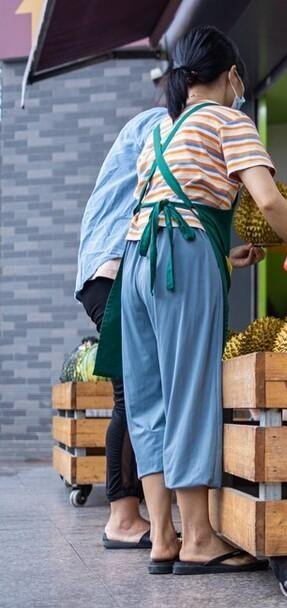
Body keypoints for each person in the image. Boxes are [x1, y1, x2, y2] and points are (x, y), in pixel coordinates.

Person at [94, 25, 287, 575]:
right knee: (191, 393)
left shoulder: (164, 132)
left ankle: (163, 538)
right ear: (231, 75)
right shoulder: (230, 120)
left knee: (149, 402)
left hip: (135, 261)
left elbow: (160, 211)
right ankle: (200, 539)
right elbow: (271, 202)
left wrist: (226, 259)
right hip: (181, 254)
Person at [76, 107, 167, 548]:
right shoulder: (162, 125)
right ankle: (123, 518)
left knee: (133, 395)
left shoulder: (149, 123)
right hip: (113, 271)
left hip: (108, 271)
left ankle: (129, 512)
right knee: (131, 397)